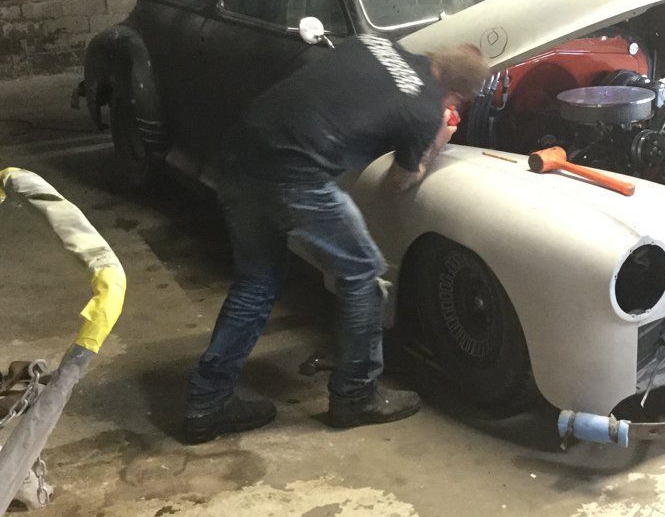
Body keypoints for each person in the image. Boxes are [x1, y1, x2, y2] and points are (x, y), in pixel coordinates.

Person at [182, 36, 490, 444]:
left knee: (255, 283)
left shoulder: (373, 44)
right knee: (363, 275)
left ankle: (207, 402)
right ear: (456, 95)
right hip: (294, 176)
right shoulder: (423, 109)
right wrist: (436, 142)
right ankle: (356, 395)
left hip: (240, 153)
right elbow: (397, 183)